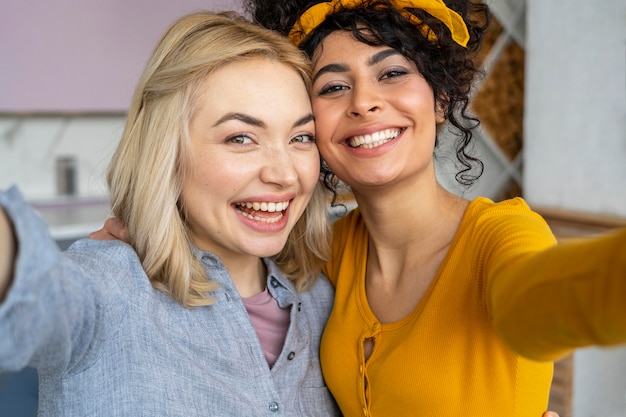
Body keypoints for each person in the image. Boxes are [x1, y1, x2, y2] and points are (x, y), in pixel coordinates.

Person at [237, 0, 626, 415]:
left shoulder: (501, 235)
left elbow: (536, 303)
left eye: (392, 73)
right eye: (333, 87)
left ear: (440, 99)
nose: (363, 102)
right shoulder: (330, 250)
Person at [0, 11, 342, 416]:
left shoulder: (321, 302)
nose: (285, 174)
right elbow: (28, 287)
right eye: (241, 138)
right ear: (167, 151)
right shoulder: (110, 288)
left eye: (301, 137)